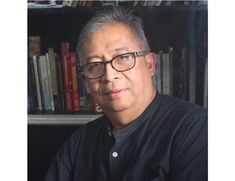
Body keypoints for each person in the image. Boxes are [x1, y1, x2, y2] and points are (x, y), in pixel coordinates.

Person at [43, 7, 207, 181]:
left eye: (122, 58)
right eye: (95, 65)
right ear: (86, 83)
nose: (109, 75)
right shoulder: (78, 144)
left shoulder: (195, 128)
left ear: (150, 64)